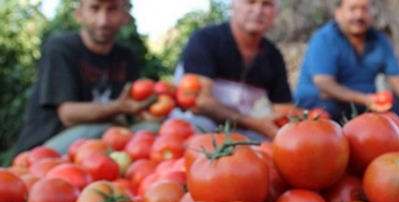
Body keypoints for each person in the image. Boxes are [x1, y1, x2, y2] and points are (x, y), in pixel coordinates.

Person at [14, 0, 152, 155]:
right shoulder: (61, 48)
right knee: (107, 129)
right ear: (79, 13)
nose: (103, 21)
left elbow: (131, 109)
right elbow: (68, 115)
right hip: (45, 148)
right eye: (95, 8)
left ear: (125, 15)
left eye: (112, 9)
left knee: (151, 130)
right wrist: (120, 107)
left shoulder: (127, 57)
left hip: (95, 149)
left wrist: (148, 112)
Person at [176, 0, 293, 141]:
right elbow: (199, 102)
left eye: (267, 4)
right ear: (233, 5)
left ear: (275, 12)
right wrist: (255, 124)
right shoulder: (205, 40)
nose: (258, 10)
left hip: (242, 129)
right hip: (197, 121)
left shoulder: (273, 56)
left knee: (268, 143)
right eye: (250, 2)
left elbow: (283, 109)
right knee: (202, 130)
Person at [294, 0, 399, 122]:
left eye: (365, 9)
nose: (359, 15)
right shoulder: (324, 39)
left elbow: (398, 80)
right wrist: (366, 99)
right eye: (352, 8)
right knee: (327, 114)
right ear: (338, 13)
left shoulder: (380, 41)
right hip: (323, 102)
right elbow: (325, 87)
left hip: (364, 104)